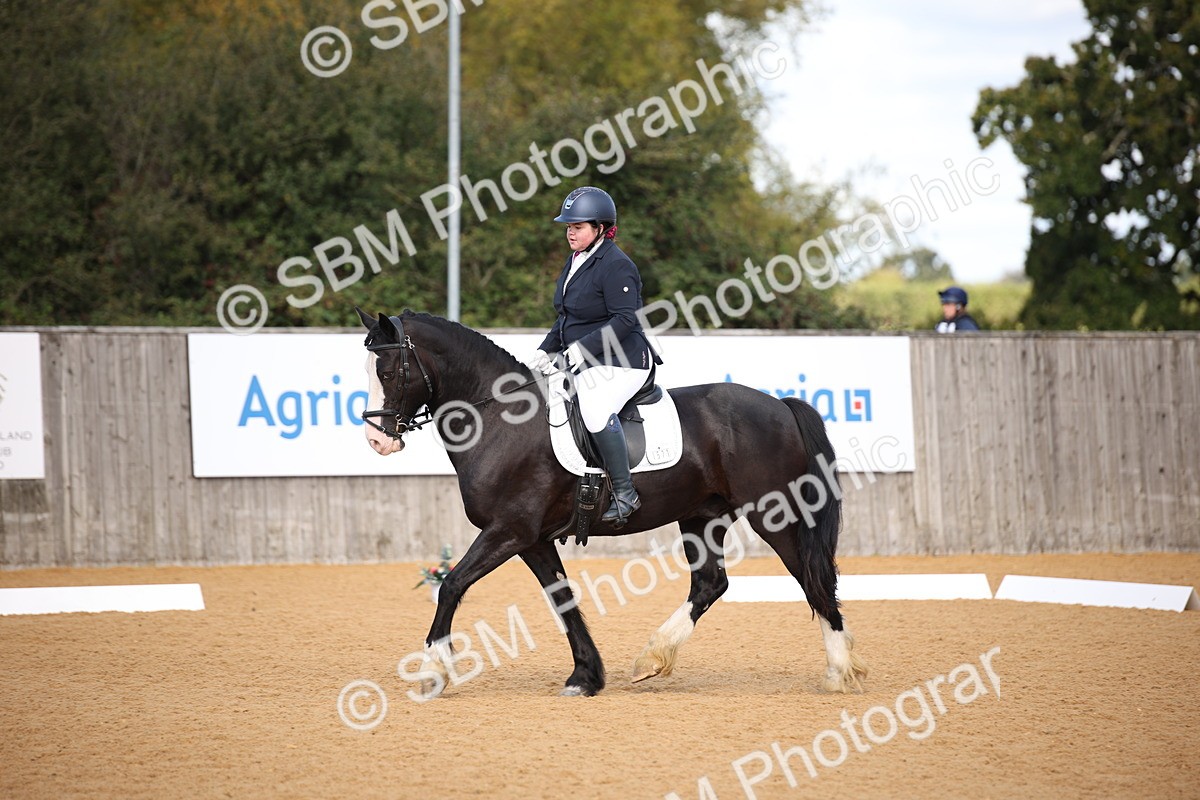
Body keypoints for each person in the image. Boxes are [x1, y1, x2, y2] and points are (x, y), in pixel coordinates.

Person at [528, 186, 660, 527]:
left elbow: (625, 319)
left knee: (595, 408)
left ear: (601, 228)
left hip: (623, 361)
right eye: (568, 226)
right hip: (584, 358)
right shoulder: (576, 260)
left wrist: (581, 349)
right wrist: (547, 348)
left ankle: (625, 492)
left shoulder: (617, 265)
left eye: (579, 226)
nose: (570, 232)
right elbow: (566, 316)